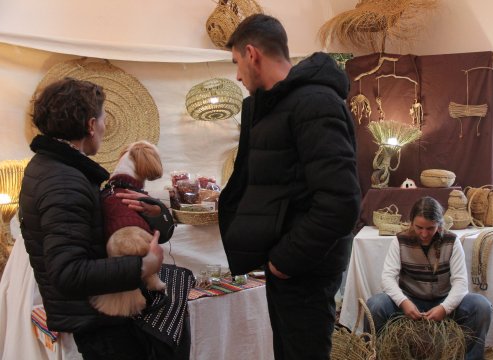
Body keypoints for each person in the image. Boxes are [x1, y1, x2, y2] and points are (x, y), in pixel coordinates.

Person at [218, 14, 361, 360]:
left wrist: (286, 260)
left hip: (305, 268)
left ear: (252, 54)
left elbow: (341, 201)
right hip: (292, 268)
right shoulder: (278, 106)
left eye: (237, 62)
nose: (237, 75)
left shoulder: (314, 103)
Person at [18, 78, 185, 360]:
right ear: (91, 126)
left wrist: (156, 214)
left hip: (96, 316)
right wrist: (143, 266)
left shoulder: (56, 169)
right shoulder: (64, 183)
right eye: (103, 118)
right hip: (99, 325)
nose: (105, 127)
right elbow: (68, 273)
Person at [366, 196, 492, 360]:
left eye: (430, 228)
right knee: (375, 305)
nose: (424, 234)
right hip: (410, 302)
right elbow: (388, 278)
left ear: (439, 225)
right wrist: (404, 303)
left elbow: (460, 283)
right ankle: (379, 355)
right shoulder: (400, 240)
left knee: (481, 306)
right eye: (419, 227)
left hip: (443, 301)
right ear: (411, 222)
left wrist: (444, 308)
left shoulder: (451, 241)